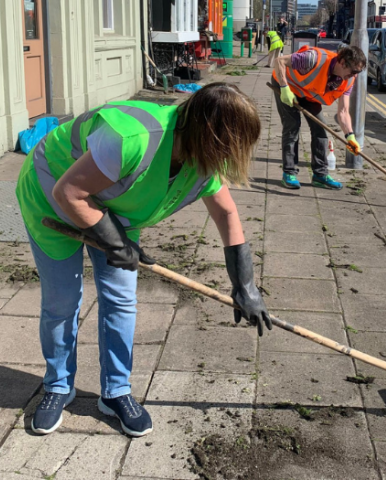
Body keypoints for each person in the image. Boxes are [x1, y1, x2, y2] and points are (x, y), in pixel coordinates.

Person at [15, 83, 272, 437]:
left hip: (112, 206)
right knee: (62, 300)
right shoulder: (132, 138)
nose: (231, 159)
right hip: (53, 195)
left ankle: (116, 392)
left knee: (121, 299)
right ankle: (58, 386)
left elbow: (227, 215)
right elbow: (69, 192)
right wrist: (118, 243)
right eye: (229, 147)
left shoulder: (202, 159)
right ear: (208, 136)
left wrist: (245, 285)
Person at [271, 45, 366, 190]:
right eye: (353, 71)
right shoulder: (312, 59)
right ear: (342, 62)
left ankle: (320, 175)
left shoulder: (348, 80)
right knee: (292, 127)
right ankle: (289, 173)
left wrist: (350, 136)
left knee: (321, 129)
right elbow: (279, 61)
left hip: (309, 94)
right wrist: (284, 88)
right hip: (287, 86)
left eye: (358, 72)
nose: (354, 75)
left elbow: (343, 111)